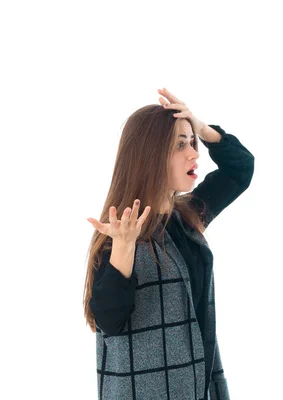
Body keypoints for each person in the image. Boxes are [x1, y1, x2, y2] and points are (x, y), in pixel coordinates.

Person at [83, 88, 254, 399]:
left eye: (192, 143)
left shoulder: (186, 215)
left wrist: (200, 126)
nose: (194, 153)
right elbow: (109, 321)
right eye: (180, 145)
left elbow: (241, 168)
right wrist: (123, 247)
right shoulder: (118, 231)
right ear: (150, 156)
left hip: (197, 384)